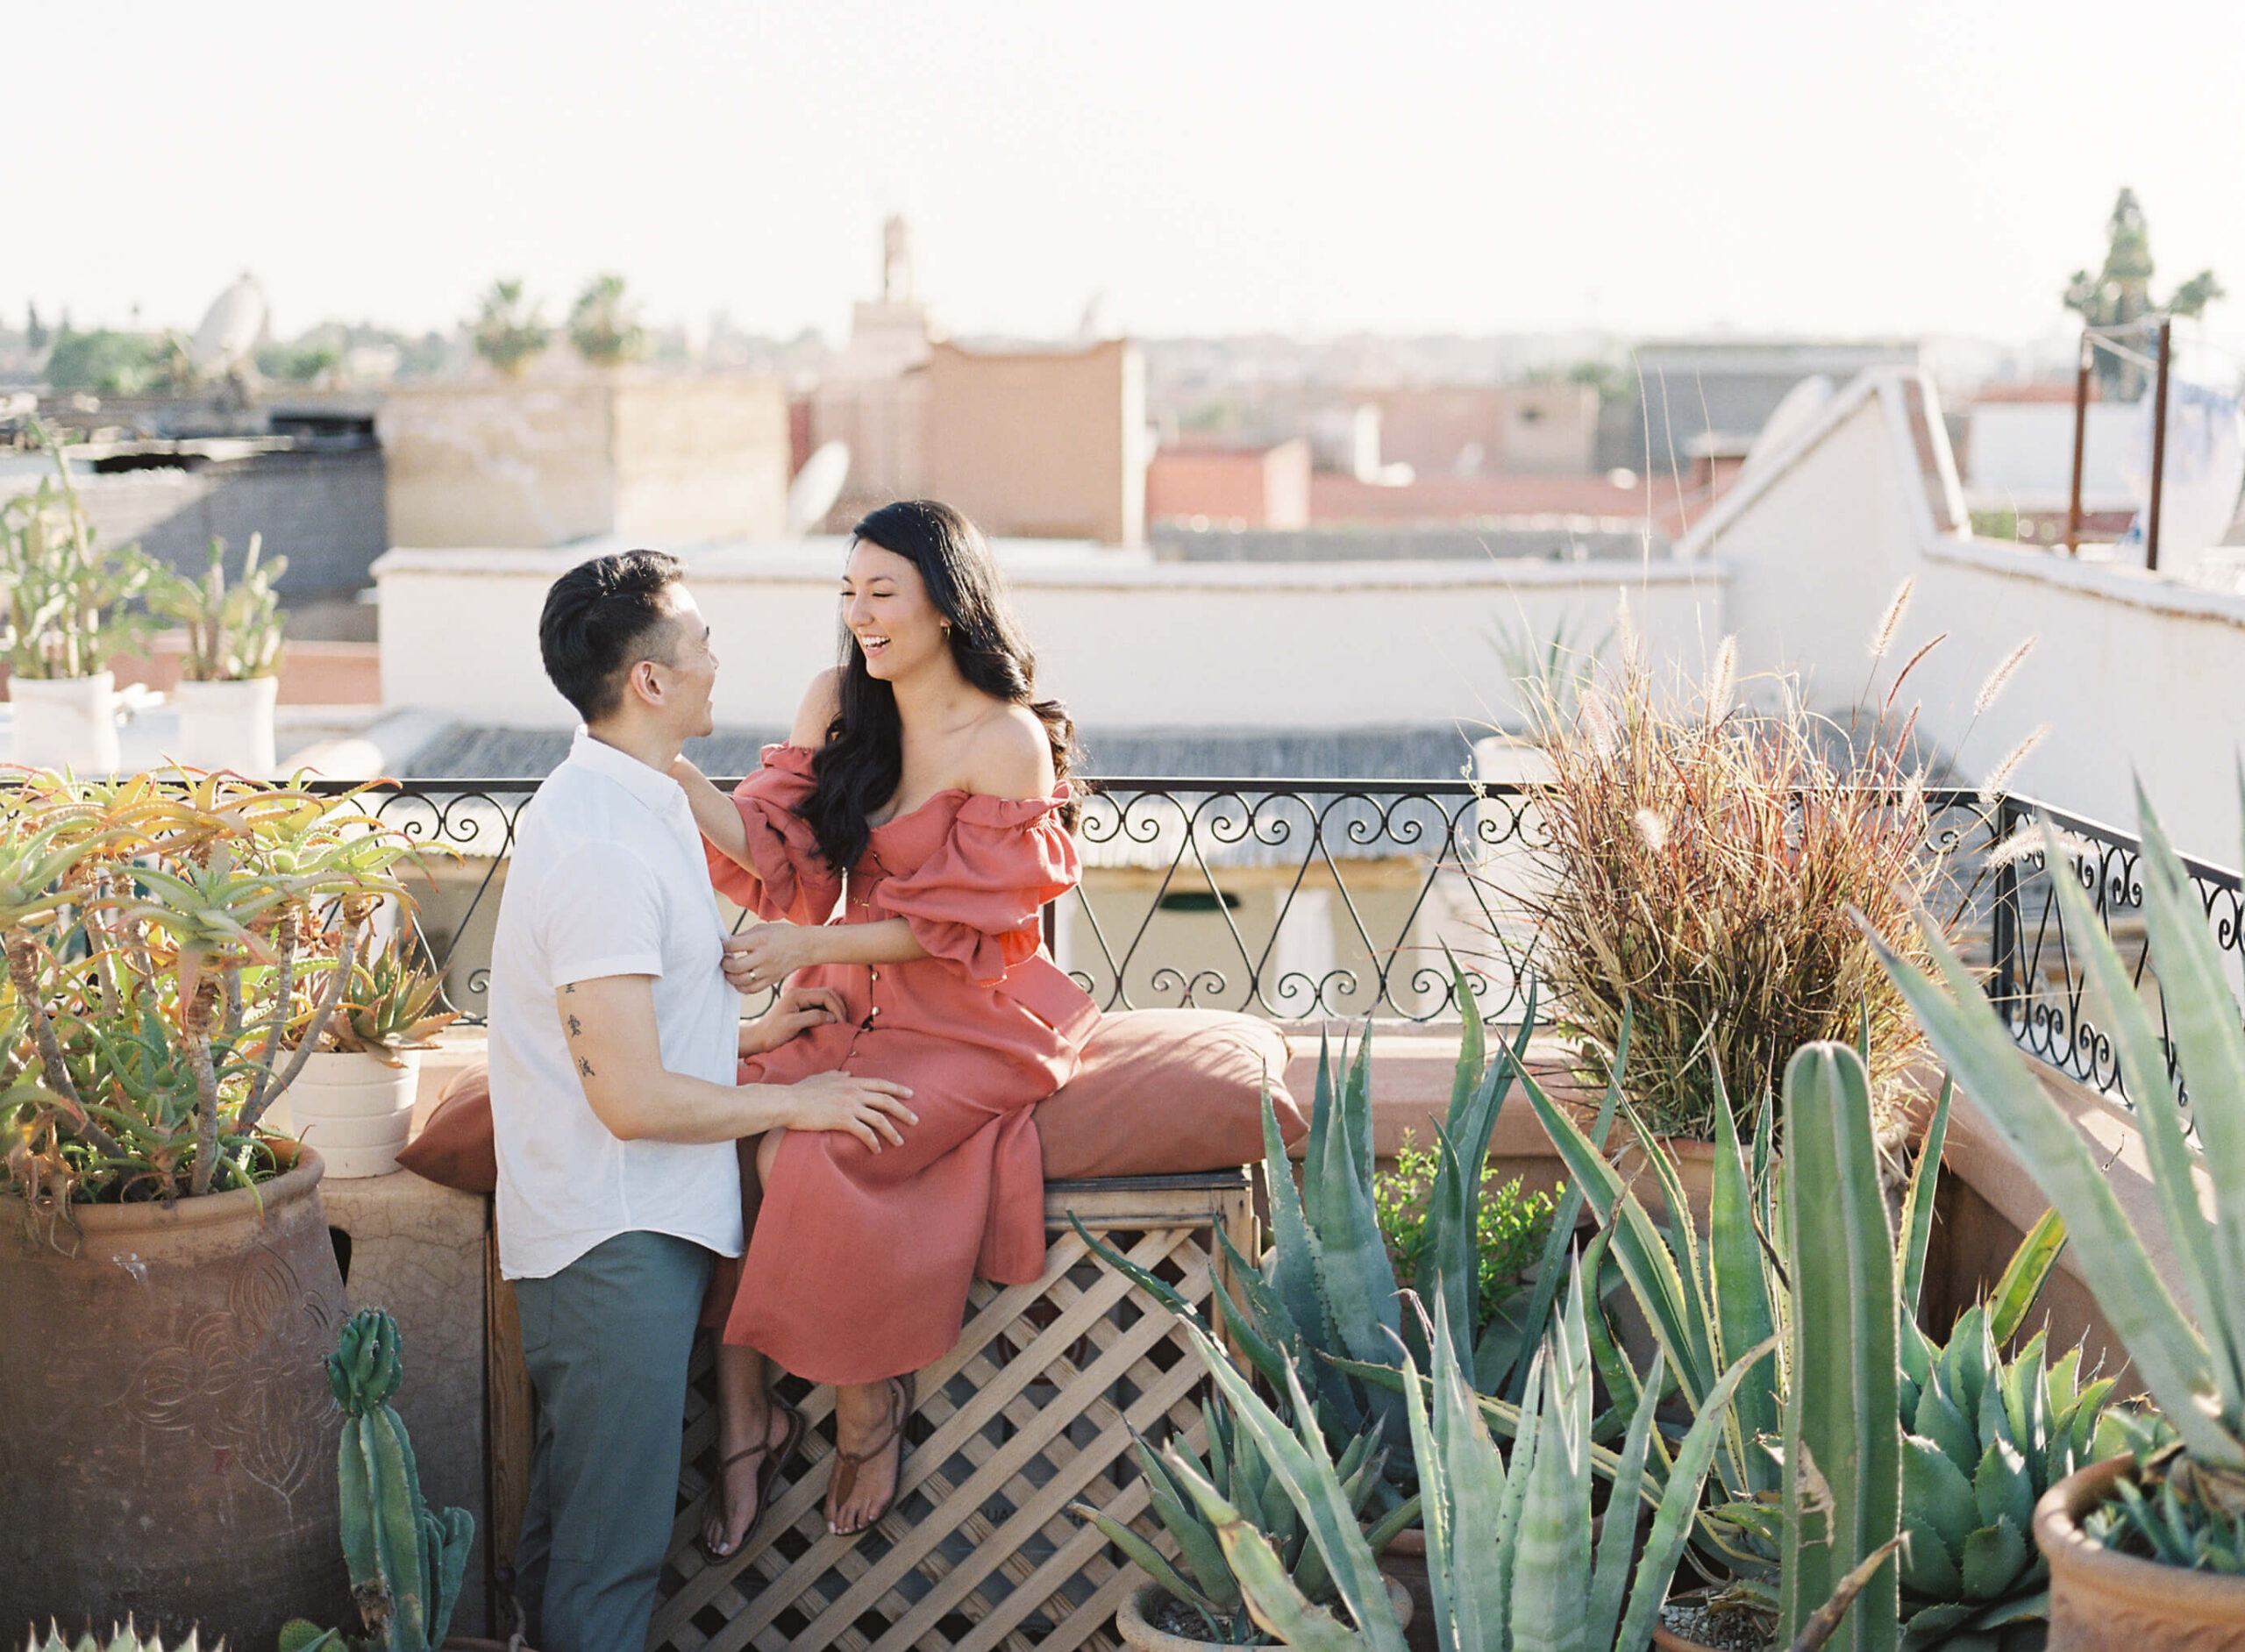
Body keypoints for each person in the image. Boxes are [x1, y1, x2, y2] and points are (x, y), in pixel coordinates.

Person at [487, 549, 917, 1652]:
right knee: (607, 1554)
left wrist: (756, 1034)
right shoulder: (595, 840)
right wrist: (798, 1107)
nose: (718, 660)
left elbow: (639, 1024)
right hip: (609, 1230)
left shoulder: (642, 803)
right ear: (650, 683)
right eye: (702, 642)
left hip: (634, 1221)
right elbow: (626, 1096)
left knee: (575, 1532)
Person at [674, 500, 1100, 1553]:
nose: (861, 615)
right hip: (844, 997)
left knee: (811, 1150)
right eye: (849, 592)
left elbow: (965, 928)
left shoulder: (1005, 741)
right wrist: (673, 775)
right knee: (723, 1142)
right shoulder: (837, 701)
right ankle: (747, 1415)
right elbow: (784, 855)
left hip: (970, 1025)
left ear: (947, 605)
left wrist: (805, 955)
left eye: (884, 593)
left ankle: (869, 1405)